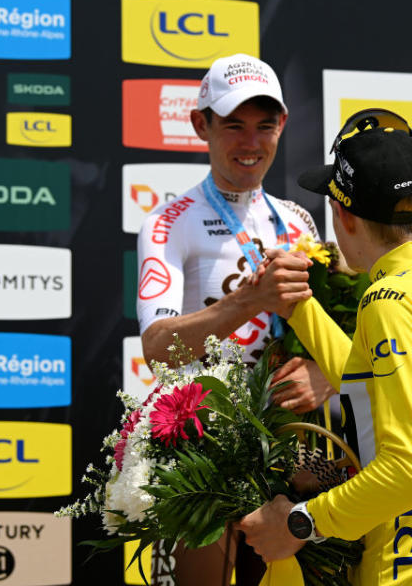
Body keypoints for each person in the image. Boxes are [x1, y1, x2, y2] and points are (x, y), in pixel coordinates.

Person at [236, 110, 412, 584]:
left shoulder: (391, 300)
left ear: (342, 215)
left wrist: (299, 524)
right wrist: (301, 307)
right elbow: (372, 393)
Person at [135, 53, 334, 586]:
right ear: (201, 124)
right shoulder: (167, 222)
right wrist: (246, 302)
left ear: (282, 127)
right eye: (234, 126)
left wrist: (326, 372)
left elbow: (337, 334)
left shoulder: (299, 221)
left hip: (290, 448)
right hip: (204, 448)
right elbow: (157, 350)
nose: (251, 143)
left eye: (264, 126)